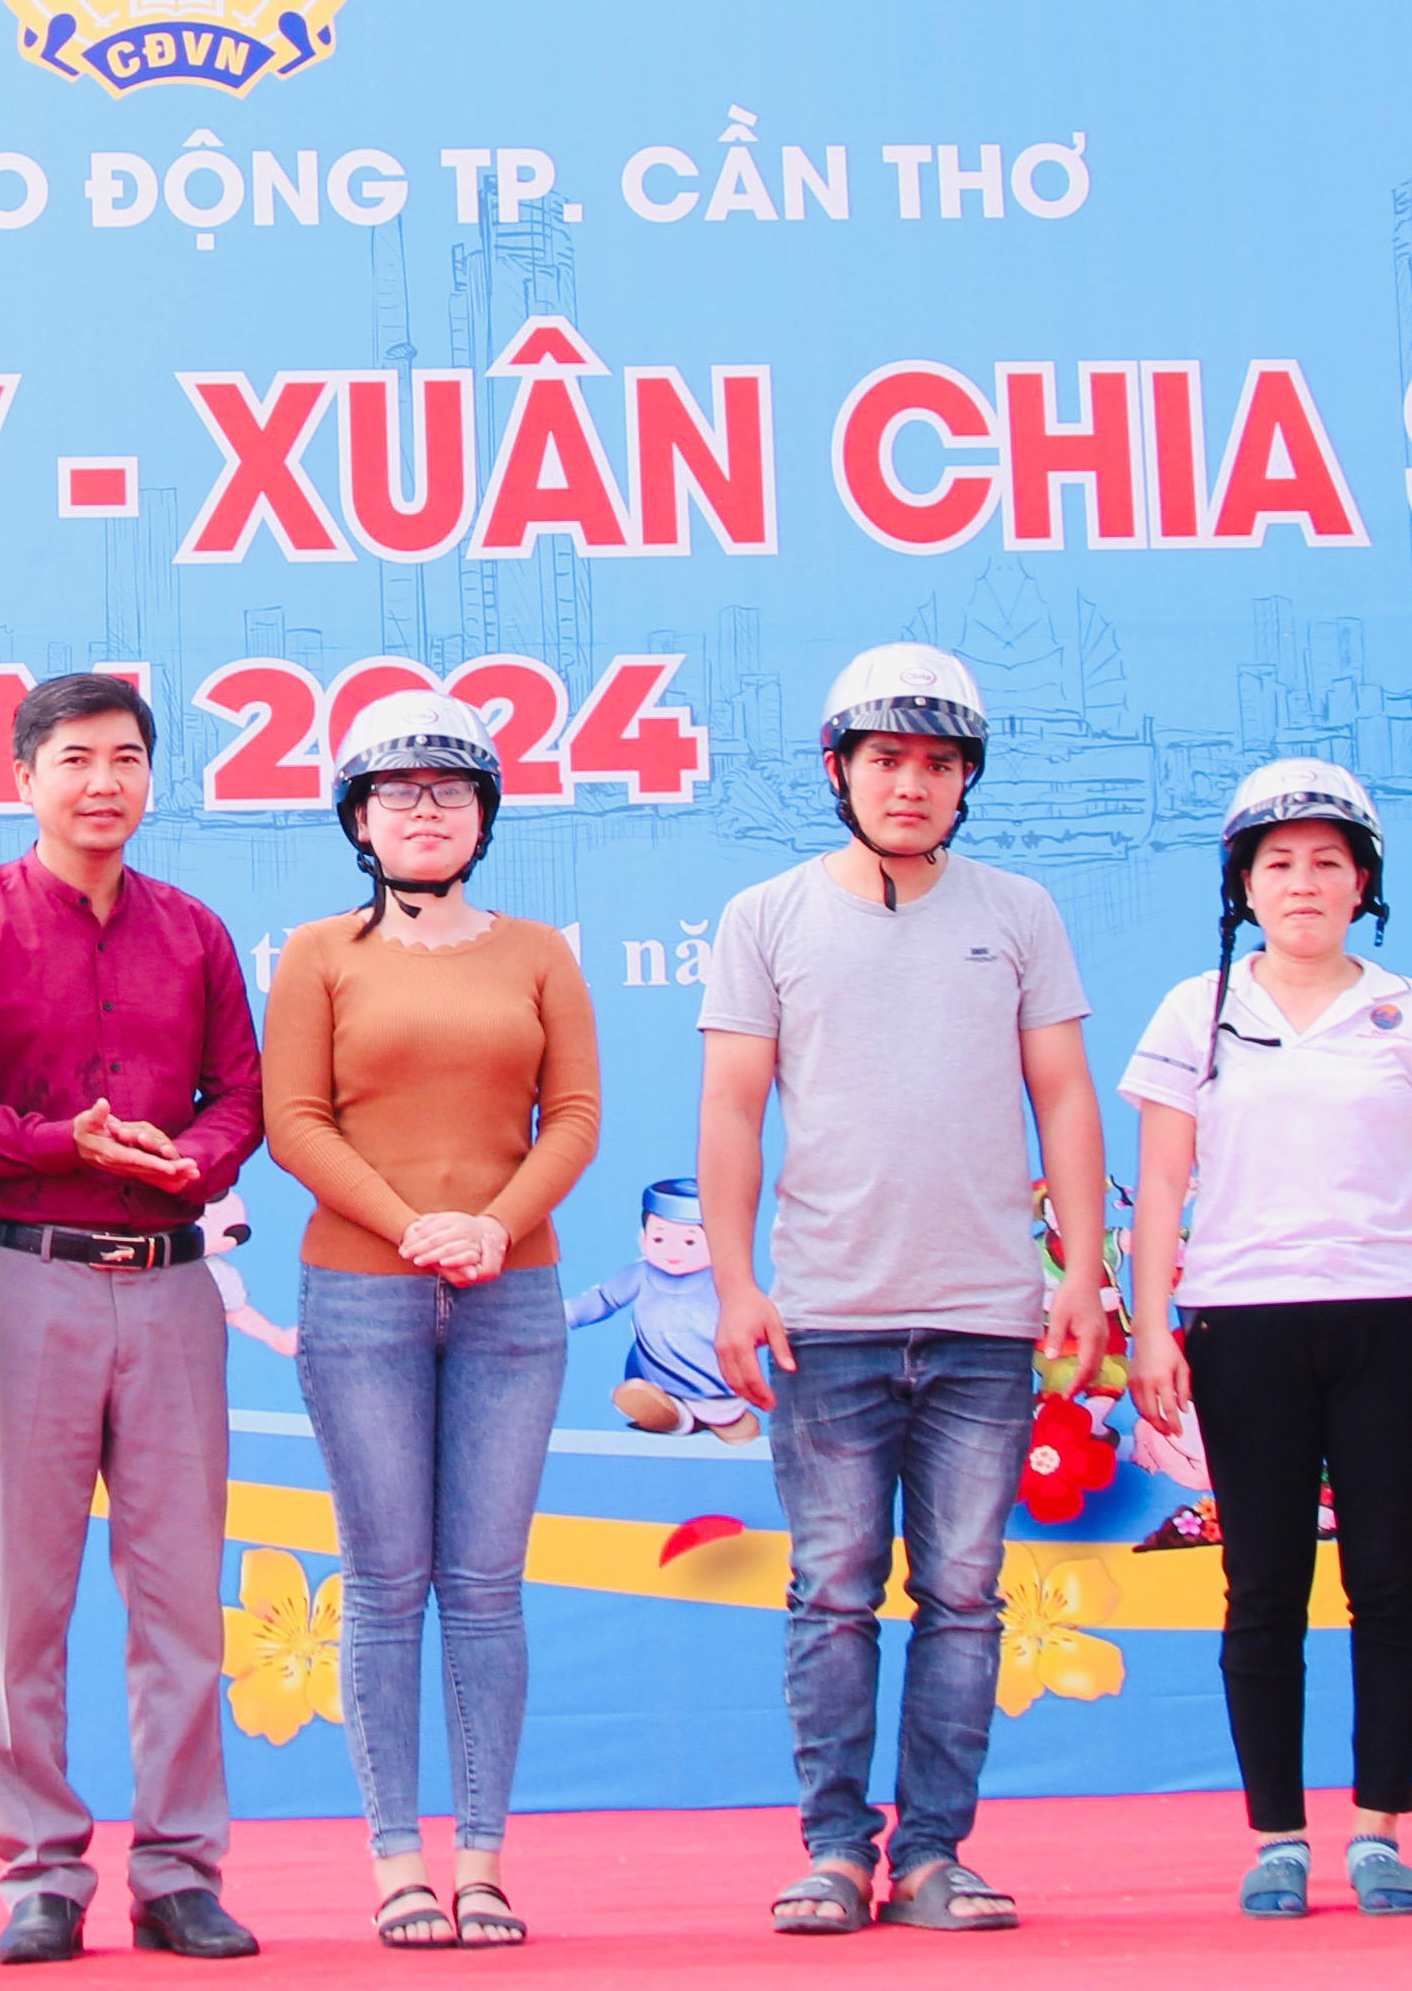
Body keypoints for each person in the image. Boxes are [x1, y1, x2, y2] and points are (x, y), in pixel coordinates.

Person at [698, 644, 1106, 1936]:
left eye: (937, 762)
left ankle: (932, 1854)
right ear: (838, 769)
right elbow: (731, 1106)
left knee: (964, 1597)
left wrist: (1081, 1269)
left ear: (967, 778)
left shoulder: (1018, 910)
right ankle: (832, 1849)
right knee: (830, 1592)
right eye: (885, 759)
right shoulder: (765, 915)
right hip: (825, 1317)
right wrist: (733, 1283)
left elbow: (1062, 1095)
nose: (911, 784)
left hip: (986, 1318)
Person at [1120, 761, 1412, 1921]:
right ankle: (1275, 1837)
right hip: (1240, 1328)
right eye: (1275, 861)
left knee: (1387, 1584)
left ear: (1361, 882)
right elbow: (1161, 1182)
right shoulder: (1195, 1009)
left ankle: (1378, 1830)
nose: (1301, 882)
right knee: (1261, 1587)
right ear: (1241, 882)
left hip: (1388, 1324)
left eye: (1326, 861)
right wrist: (1151, 1328)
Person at [0, 672, 263, 1967]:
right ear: (21, 777)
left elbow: (240, 1093)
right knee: (21, 1599)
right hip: (26, 1274)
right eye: (73, 758)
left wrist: (193, 1157)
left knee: (180, 1599)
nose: (102, 781)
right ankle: (40, 1871)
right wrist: (54, 1139)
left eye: (125, 756)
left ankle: (179, 1869)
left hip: (173, 1280)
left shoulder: (195, 931)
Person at [262, 691, 596, 1954]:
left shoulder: (538, 953)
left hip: (511, 1297)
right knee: (384, 1581)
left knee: (487, 1587)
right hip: (359, 1294)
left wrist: (493, 1227)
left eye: (448, 791)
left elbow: (573, 1117)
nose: (421, 810)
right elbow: (294, 1120)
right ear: (356, 818)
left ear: (482, 817)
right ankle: (397, 1860)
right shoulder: (316, 953)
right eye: (394, 792)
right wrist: (412, 1226)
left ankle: (484, 1862)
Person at [566, 1179, 755, 1440]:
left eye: (689, 1242)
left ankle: (721, 1415)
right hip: (655, 1375)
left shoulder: (724, 1281)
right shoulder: (640, 1274)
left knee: (723, 1411)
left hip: (710, 1379)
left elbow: (748, 1315)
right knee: (647, 1392)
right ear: (643, 1240)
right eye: (659, 1238)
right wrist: (565, 1315)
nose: (672, 1251)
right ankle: (673, 1415)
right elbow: (604, 1299)